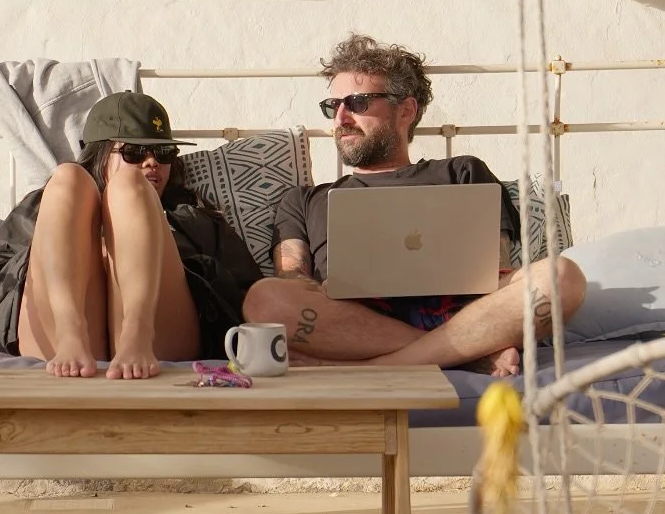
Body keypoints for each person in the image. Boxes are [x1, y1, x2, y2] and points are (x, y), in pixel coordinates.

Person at [243, 34, 587, 375]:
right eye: (334, 106)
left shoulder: (463, 172)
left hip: (462, 313)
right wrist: (320, 289)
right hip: (354, 321)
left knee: (562, 276)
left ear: (406, 110)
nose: (341, 118)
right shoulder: (304, 200)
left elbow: (494, 270)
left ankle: (384, 365)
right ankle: (461, 354)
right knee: (264, 299)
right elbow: (291, 279)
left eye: (358, 103)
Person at [0, 91, 260, 380]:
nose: (152, 163)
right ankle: (71, 332)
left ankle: (136, 332)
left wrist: (169, 256)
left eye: (164, 153)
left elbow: (243, 291)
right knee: (68, 177)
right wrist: (68, 253)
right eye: (134, 152)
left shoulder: (191, 215)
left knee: (129, 184)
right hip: (57, 334)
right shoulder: (51, 202)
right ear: (100, 154)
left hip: (158, 337)